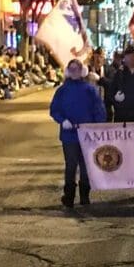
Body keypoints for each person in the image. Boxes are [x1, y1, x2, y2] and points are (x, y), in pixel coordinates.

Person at [50, 58, 107, 208]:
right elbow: (54, 110)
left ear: (81, 71)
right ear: (68, 72)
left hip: (87, 135)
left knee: (86, 165)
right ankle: (69, 196)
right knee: (71, 165)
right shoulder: (62, 91)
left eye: (77, 69)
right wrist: (63, 121)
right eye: (72, 69)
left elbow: (98, 109)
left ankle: (84, 195)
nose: (75, 72)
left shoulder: (89, 90)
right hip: (69, 135)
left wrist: (97, 127)